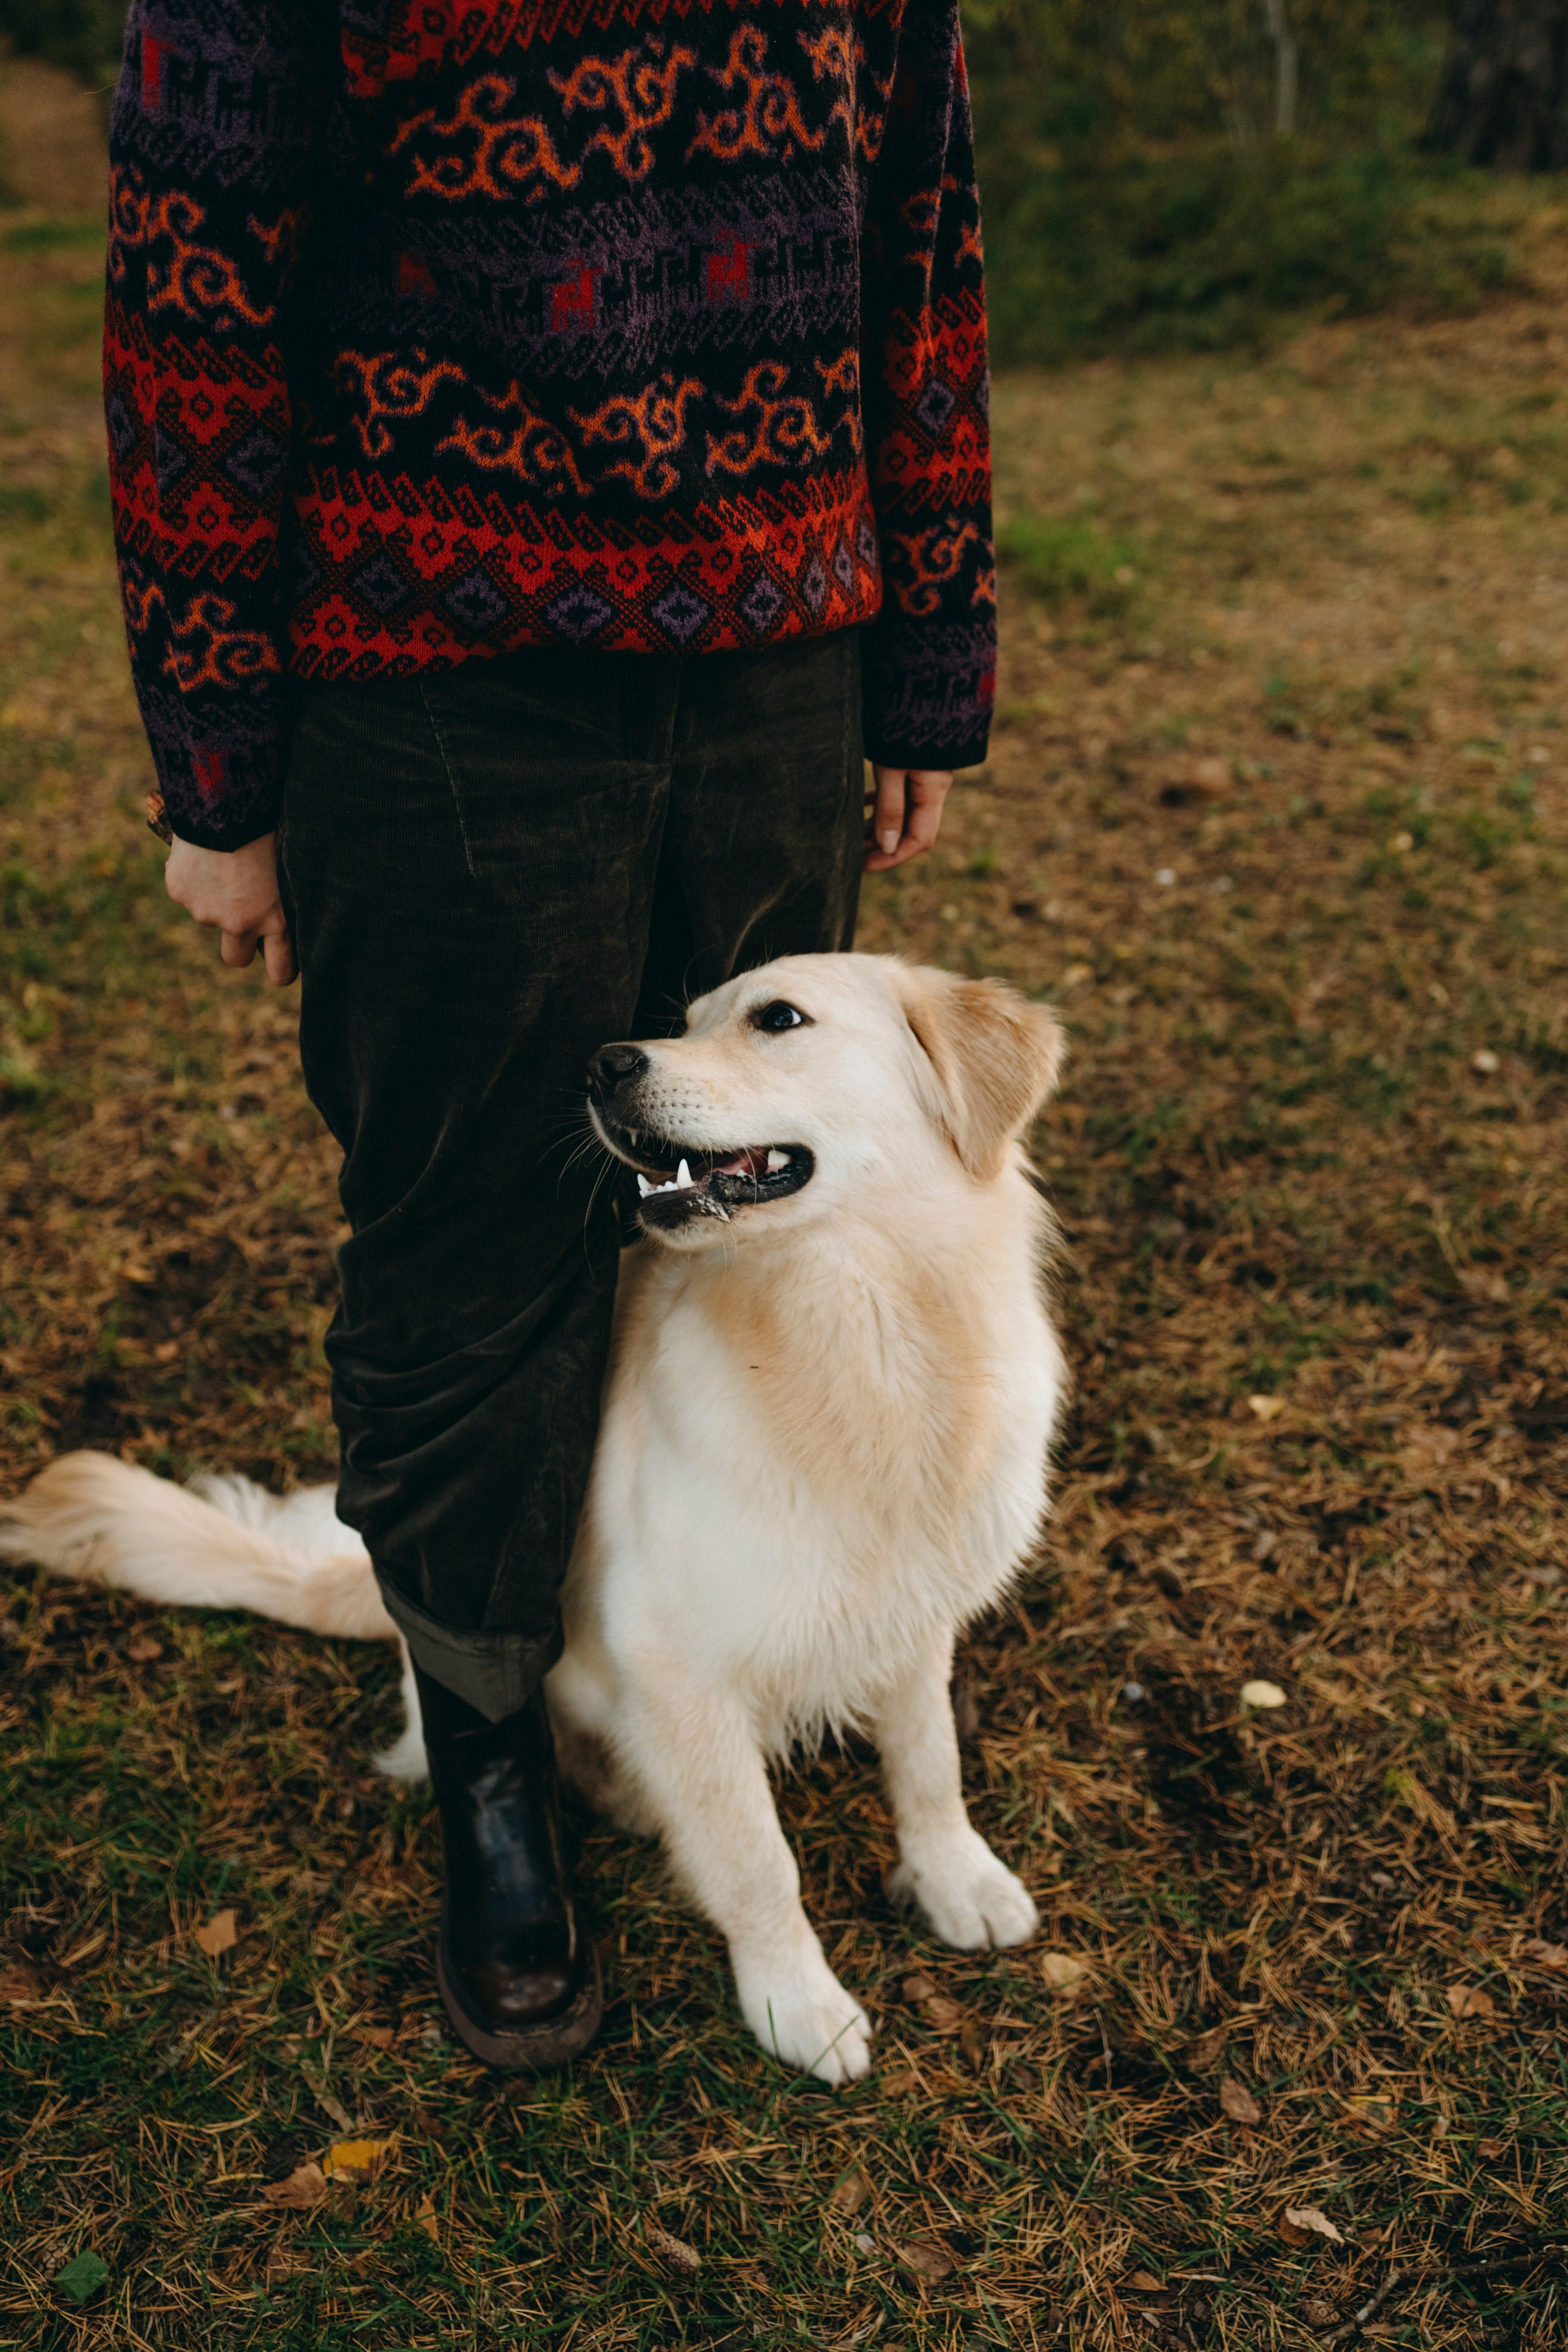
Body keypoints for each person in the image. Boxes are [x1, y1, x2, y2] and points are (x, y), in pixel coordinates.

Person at [104, 0, 995, 2071]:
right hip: (435, 672)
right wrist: (219, 769)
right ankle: (490, 1744)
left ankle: (776, 1634)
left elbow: (921, 231)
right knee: (474, 1242)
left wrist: (926, 647)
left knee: (751, 1209)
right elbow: (192, 302)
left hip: (786, 635)